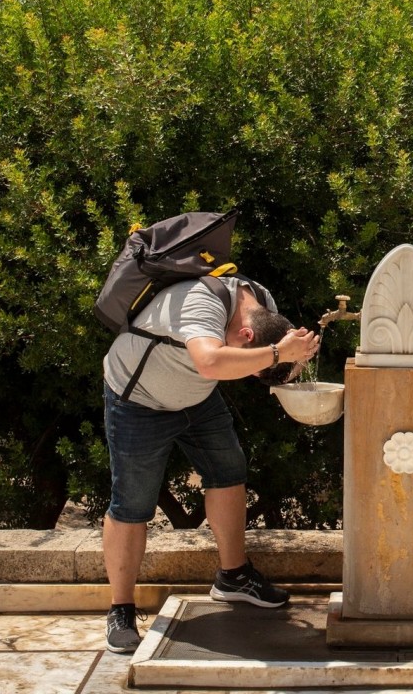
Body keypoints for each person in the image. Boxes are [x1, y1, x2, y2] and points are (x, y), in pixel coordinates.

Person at [101, 273, 320, 654]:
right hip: (139, 399)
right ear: (249, 337)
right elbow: (210, 361)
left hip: (197, 399)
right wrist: (277, 355)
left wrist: (291, 361)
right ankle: (120, 609)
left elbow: (265, 354)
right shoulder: (200, 302)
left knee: (229, 472)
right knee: (133, 503)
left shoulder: (261, 301)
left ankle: (233, 577)